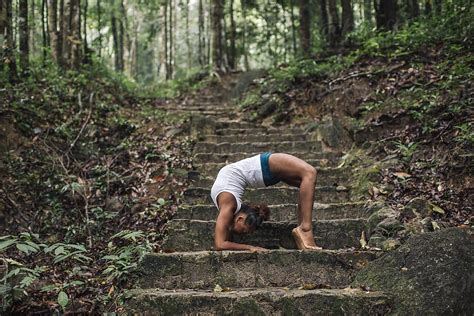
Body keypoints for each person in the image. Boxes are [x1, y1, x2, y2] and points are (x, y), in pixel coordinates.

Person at [210, 152, 322, 252]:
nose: (245, 233)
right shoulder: (230, 206)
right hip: (264, 173)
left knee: (309, 173)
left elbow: (219, 244)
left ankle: (305, 228)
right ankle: (302, 227)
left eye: (244, 230)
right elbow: (224, 243)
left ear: (240, 219)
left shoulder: (229, 205)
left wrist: (250, 247)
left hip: (263, 165)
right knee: (306, 183)